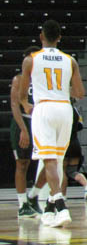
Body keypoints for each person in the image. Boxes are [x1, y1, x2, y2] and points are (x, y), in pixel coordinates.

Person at [19, 20, 85, 227]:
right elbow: (80, 93)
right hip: (65, 109)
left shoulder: (31, 59)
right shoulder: (70, 60)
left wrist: (27, 105)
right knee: (57, 161)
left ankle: (60, 206)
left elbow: (22, 95)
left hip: (44, 108)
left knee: (49, 160)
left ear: (41, 36)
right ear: (59, 38)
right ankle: (49, 208)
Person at [10, 46, 42, 218]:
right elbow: (15, 106)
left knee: (46, 162)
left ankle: (33, 197)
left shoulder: (43, 79)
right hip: (23, 123)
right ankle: (23, 204)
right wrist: (23, 130)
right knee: (22, 164)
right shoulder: (19, 79)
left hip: (40, 122)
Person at [61, 102, 87, 199]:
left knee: (62, 172)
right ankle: (86, 185)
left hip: (64, 144)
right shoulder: (74, 110)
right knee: (72, 171)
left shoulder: (60, 109)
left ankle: (62, 195)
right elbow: (80, 126)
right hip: (76, 144)